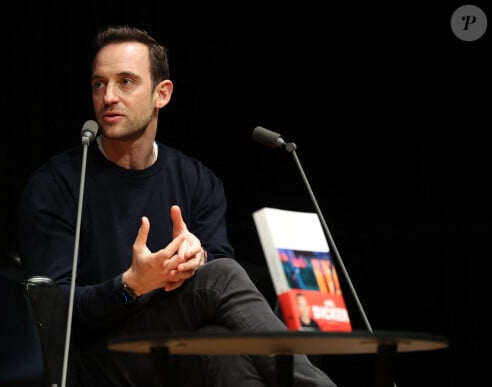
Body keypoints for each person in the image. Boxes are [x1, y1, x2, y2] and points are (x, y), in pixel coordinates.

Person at [18, 24, 337, 387]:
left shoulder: (196, 180)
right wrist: (131, 285)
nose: (108, 97)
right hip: (95, 361)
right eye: (99, 84)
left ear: (162, 94)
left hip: (172, 349)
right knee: (224, 276)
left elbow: (220, 275)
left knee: (226, 352)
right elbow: (52, 308)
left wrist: (196, 259)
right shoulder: (56, 185)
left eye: (125, 82)